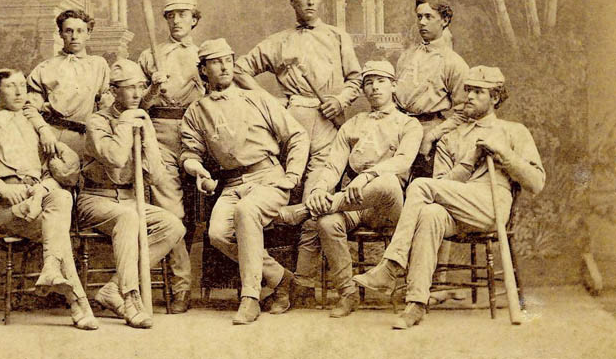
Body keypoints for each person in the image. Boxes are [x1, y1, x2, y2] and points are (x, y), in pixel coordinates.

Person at [353, 66, 545, 329]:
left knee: (420, 186)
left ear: (496, 98)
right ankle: (416, 303)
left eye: (478, 92)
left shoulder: (513, 131)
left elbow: (536, 183)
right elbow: (441, 187)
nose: (470, 97)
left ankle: (391, 265)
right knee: (430, 213)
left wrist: (506, 155)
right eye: (468, 91)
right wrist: (469, 160)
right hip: (457, 211)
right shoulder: (451, 137)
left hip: (492, 208)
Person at [181, 39, 310, 325]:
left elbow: (297, 135)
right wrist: (199, 172)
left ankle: (250, 297)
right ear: (203, 70)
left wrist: (292, 175)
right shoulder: (196, 111)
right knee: (217, 235)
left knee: (247, 211)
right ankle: (281, 278)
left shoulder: (257, 98)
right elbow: (189, 154)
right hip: (231, 184)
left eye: (227, 59)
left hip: (268, 178)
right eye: (215, 62)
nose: (224, 66)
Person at [0, 68, 98, 330]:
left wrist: (40, 190)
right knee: (57, 234)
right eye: (11, 86)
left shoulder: (38, 130)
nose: (20, 91)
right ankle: (76, 301)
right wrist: (1, 186)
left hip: (36, 200)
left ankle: (57, 278)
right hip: (3, 208)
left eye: (23, 85)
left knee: (61, 197)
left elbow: (54, 172)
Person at [292, 60, 423, 317]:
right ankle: (347, 293)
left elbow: (402, 162)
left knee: (386, 182)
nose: (374, 88)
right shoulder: (353, 124)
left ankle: (308, 210)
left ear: (394, 86)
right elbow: (332, 165)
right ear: (363, 89)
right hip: (355, 204)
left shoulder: (409, 124)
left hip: (391, 207)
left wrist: (365, 177)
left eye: (381, 81)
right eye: (368, 82)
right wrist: (319, 190)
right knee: (327, 222)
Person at [77, 59, 187, 329]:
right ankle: (130, 296)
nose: (138, 94)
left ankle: (113, 287)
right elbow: (114, 158)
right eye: (129, 88)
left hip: (129, 198)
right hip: (96, 199)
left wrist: (147, 136)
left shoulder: (142, 118)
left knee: (173, 226)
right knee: (128, 218)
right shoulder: (97, 121)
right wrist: (126, 124)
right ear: (114, 91)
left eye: (140, 87)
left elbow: (157, 176)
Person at [234, 0, 361, 202]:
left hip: (329, 122)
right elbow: (238, 70)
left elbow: (356, 80)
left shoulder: (338, 37)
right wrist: (269, 102)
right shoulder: (278, 41)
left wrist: (339, 100)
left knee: (319, 192)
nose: (311, 1)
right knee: (288, 190)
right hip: (291, 123)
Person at [136, 0, 203, 313]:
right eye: (170, 15)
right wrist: (152, 87)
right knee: (173, 214)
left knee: (203, 216)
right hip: (159, 137)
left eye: (183, 14)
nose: (177, 20)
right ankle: (181, 287)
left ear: (194, 18)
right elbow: (134, 106)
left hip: (199, 139)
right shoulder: (150, 56)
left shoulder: (205, 54)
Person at [394, 0, 469, 178]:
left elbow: (464, 112)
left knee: (420, 190)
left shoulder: (454, 63)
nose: (422, 22)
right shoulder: (407, 55)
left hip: (430, 130)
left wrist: (432, 135)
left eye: (429, 17)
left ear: (445, 20)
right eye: (419, 17)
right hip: (399, 128)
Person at [24, 9, 112, 158]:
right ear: (60, 34)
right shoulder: (45, 68)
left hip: (86, 137)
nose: (74, 37)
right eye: (68, 31)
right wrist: (43, 131)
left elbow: (106, 105)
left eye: (80, 31)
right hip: (52, 138)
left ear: (88, 34)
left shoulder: (98, 65)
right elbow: (29, 108)